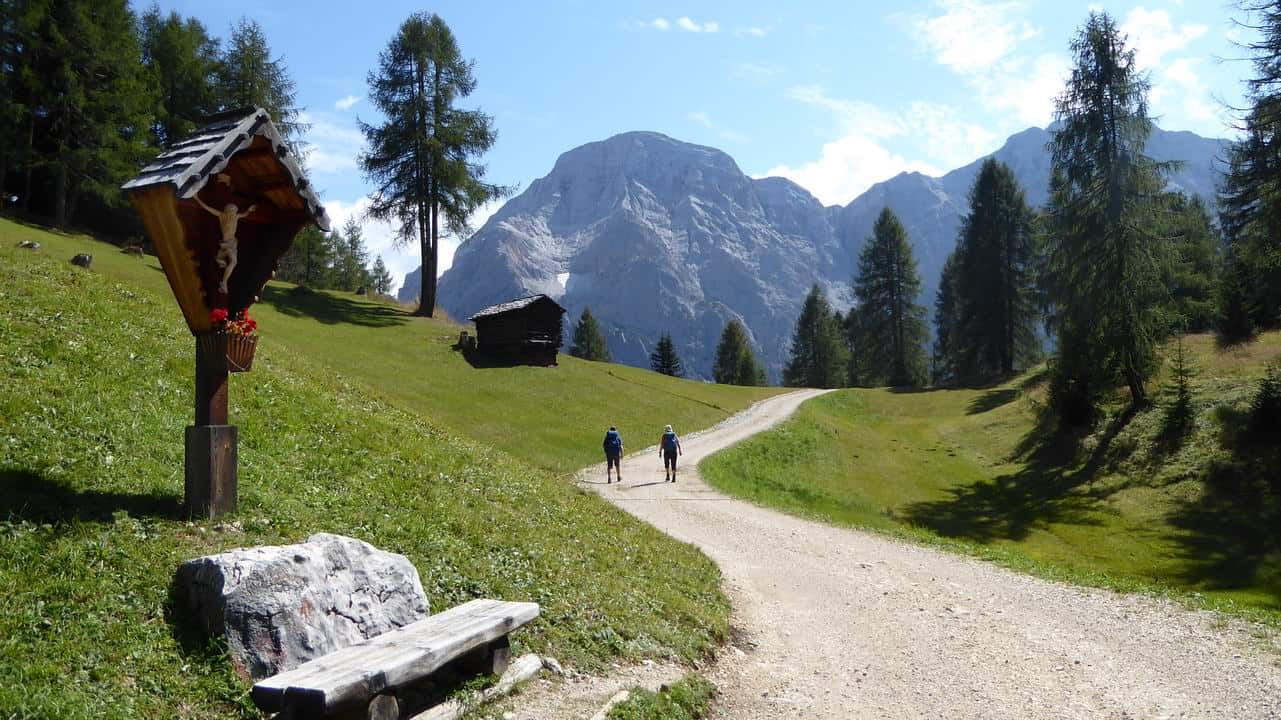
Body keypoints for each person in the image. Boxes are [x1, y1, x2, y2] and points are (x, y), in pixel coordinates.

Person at [194, 193, 256, 293]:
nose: (233, 212)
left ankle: (221, 267)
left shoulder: (230, 216)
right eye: (232, 210)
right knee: (232, 262)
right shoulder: (224, 215)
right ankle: (223, 281)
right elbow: (208, 208)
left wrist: (249, 210)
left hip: (230, 244)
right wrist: (197, 198)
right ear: (228, 210)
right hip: (226, 244)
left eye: (234, 211)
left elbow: (245, 213)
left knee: (229, 261)